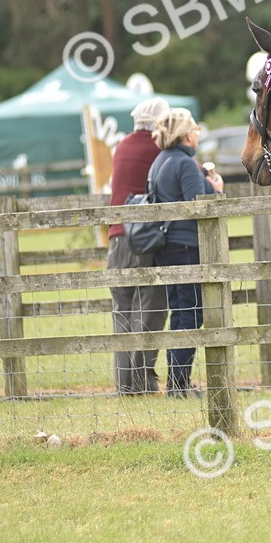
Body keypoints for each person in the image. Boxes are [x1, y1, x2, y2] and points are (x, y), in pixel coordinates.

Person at [149, 108, 224, 397]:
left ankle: (177, 383)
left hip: (166, 247)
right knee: (191, 314)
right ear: (184, 134)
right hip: (186, 246)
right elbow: (200, 204)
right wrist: (216, 190)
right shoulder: (184, 163)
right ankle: (180, 385)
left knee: (180, 313)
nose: (197, 135)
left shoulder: (159, 162)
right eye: (194, 130)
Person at [106, 97, 171, 395]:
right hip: (141, 239)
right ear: (159, 123)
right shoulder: (156, 148)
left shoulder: (122, 147)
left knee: (123, 312)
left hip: (116, 240)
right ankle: (143, 382)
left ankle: (124, 385)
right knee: (150, 311)